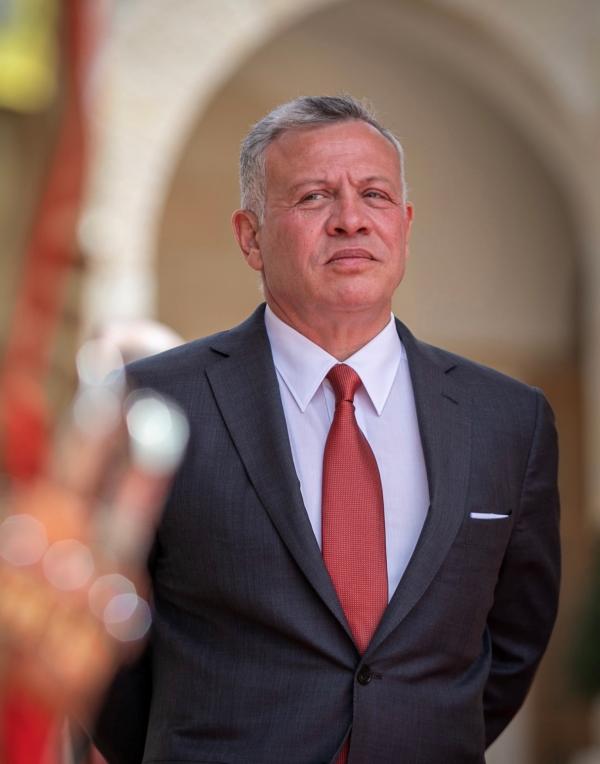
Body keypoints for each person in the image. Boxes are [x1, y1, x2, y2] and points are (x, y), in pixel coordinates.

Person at [94, 95, 560, 764]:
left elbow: (513, 642)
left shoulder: (508, 419)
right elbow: (100, 639)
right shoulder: (151, 402)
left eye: (374, 195)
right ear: (250, 237)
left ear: (404, 225)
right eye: (314, 196)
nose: (350, 220)